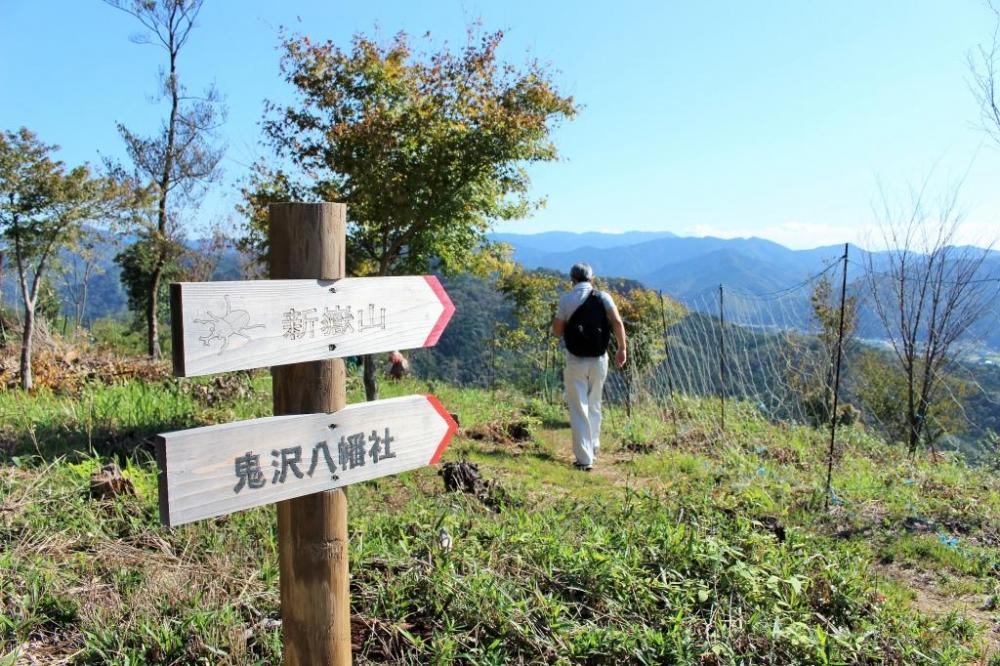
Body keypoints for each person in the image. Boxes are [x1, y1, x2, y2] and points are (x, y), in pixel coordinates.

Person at [551, 263, 627, 471]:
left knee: (578, 408)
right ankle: (594, 445)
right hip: (600, 358)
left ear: (572, 279)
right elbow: (618, 323)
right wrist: (622, 349)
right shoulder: (603, 297)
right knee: (594, 403)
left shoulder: (566, 299)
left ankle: (584, 460)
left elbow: (557, 330)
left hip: (576, 360)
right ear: (592, 279)